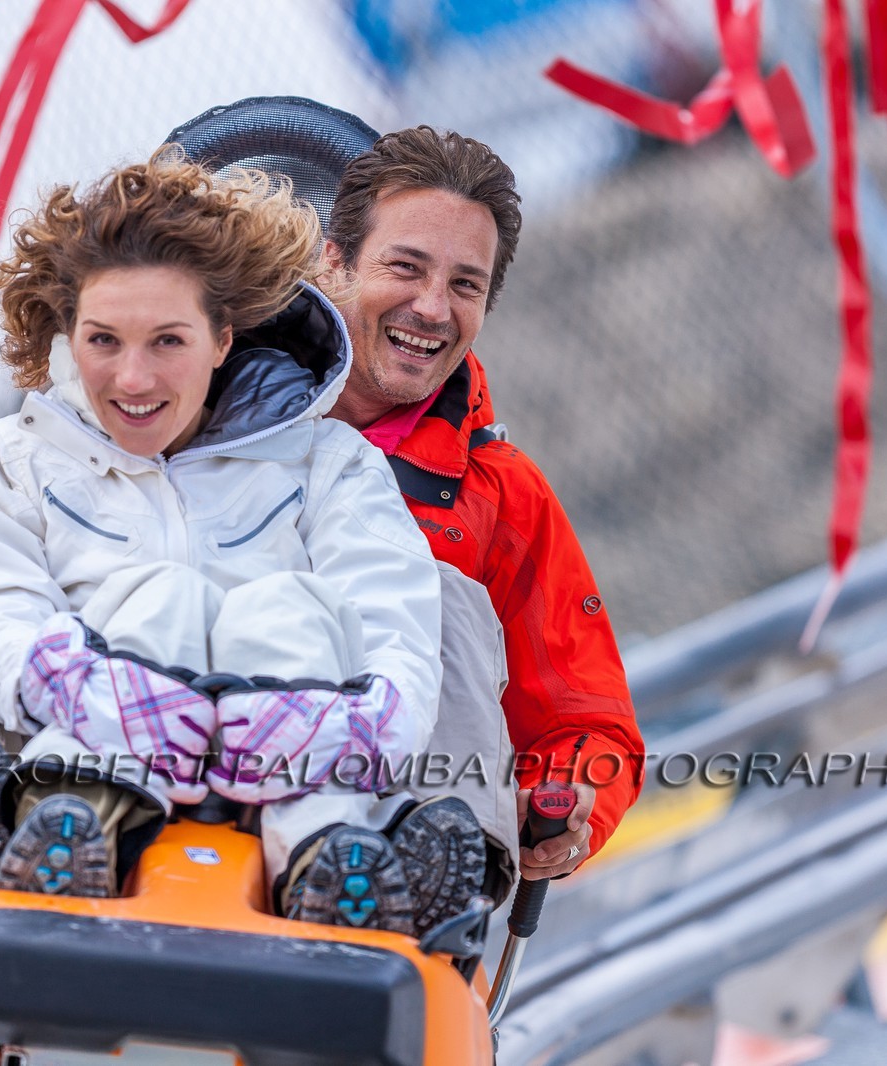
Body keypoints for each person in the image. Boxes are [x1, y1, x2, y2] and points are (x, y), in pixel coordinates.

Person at [0, 147, 487, 935]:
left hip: (294, 764)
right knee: (148, 596)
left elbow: (394, 611)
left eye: (168, 342)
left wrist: (358, 723)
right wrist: (74, 683)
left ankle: (338, 863)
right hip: (101, 749)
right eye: (104, 340)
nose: (134, 379)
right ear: (67, 335)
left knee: (297, 604)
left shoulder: (325, 462)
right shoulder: (19, 461)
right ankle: (64, 827)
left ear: (223, 338)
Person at [321, 126, 646, 882]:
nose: (432, 307)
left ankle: (432, 874)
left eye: (465, 285)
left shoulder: (501, 495)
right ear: (335, 261)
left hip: (393, 871)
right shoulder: (213, 416)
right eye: (405, 267)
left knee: (442, 604)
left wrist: (565, 807)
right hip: (194, 805)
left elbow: (586, 725)